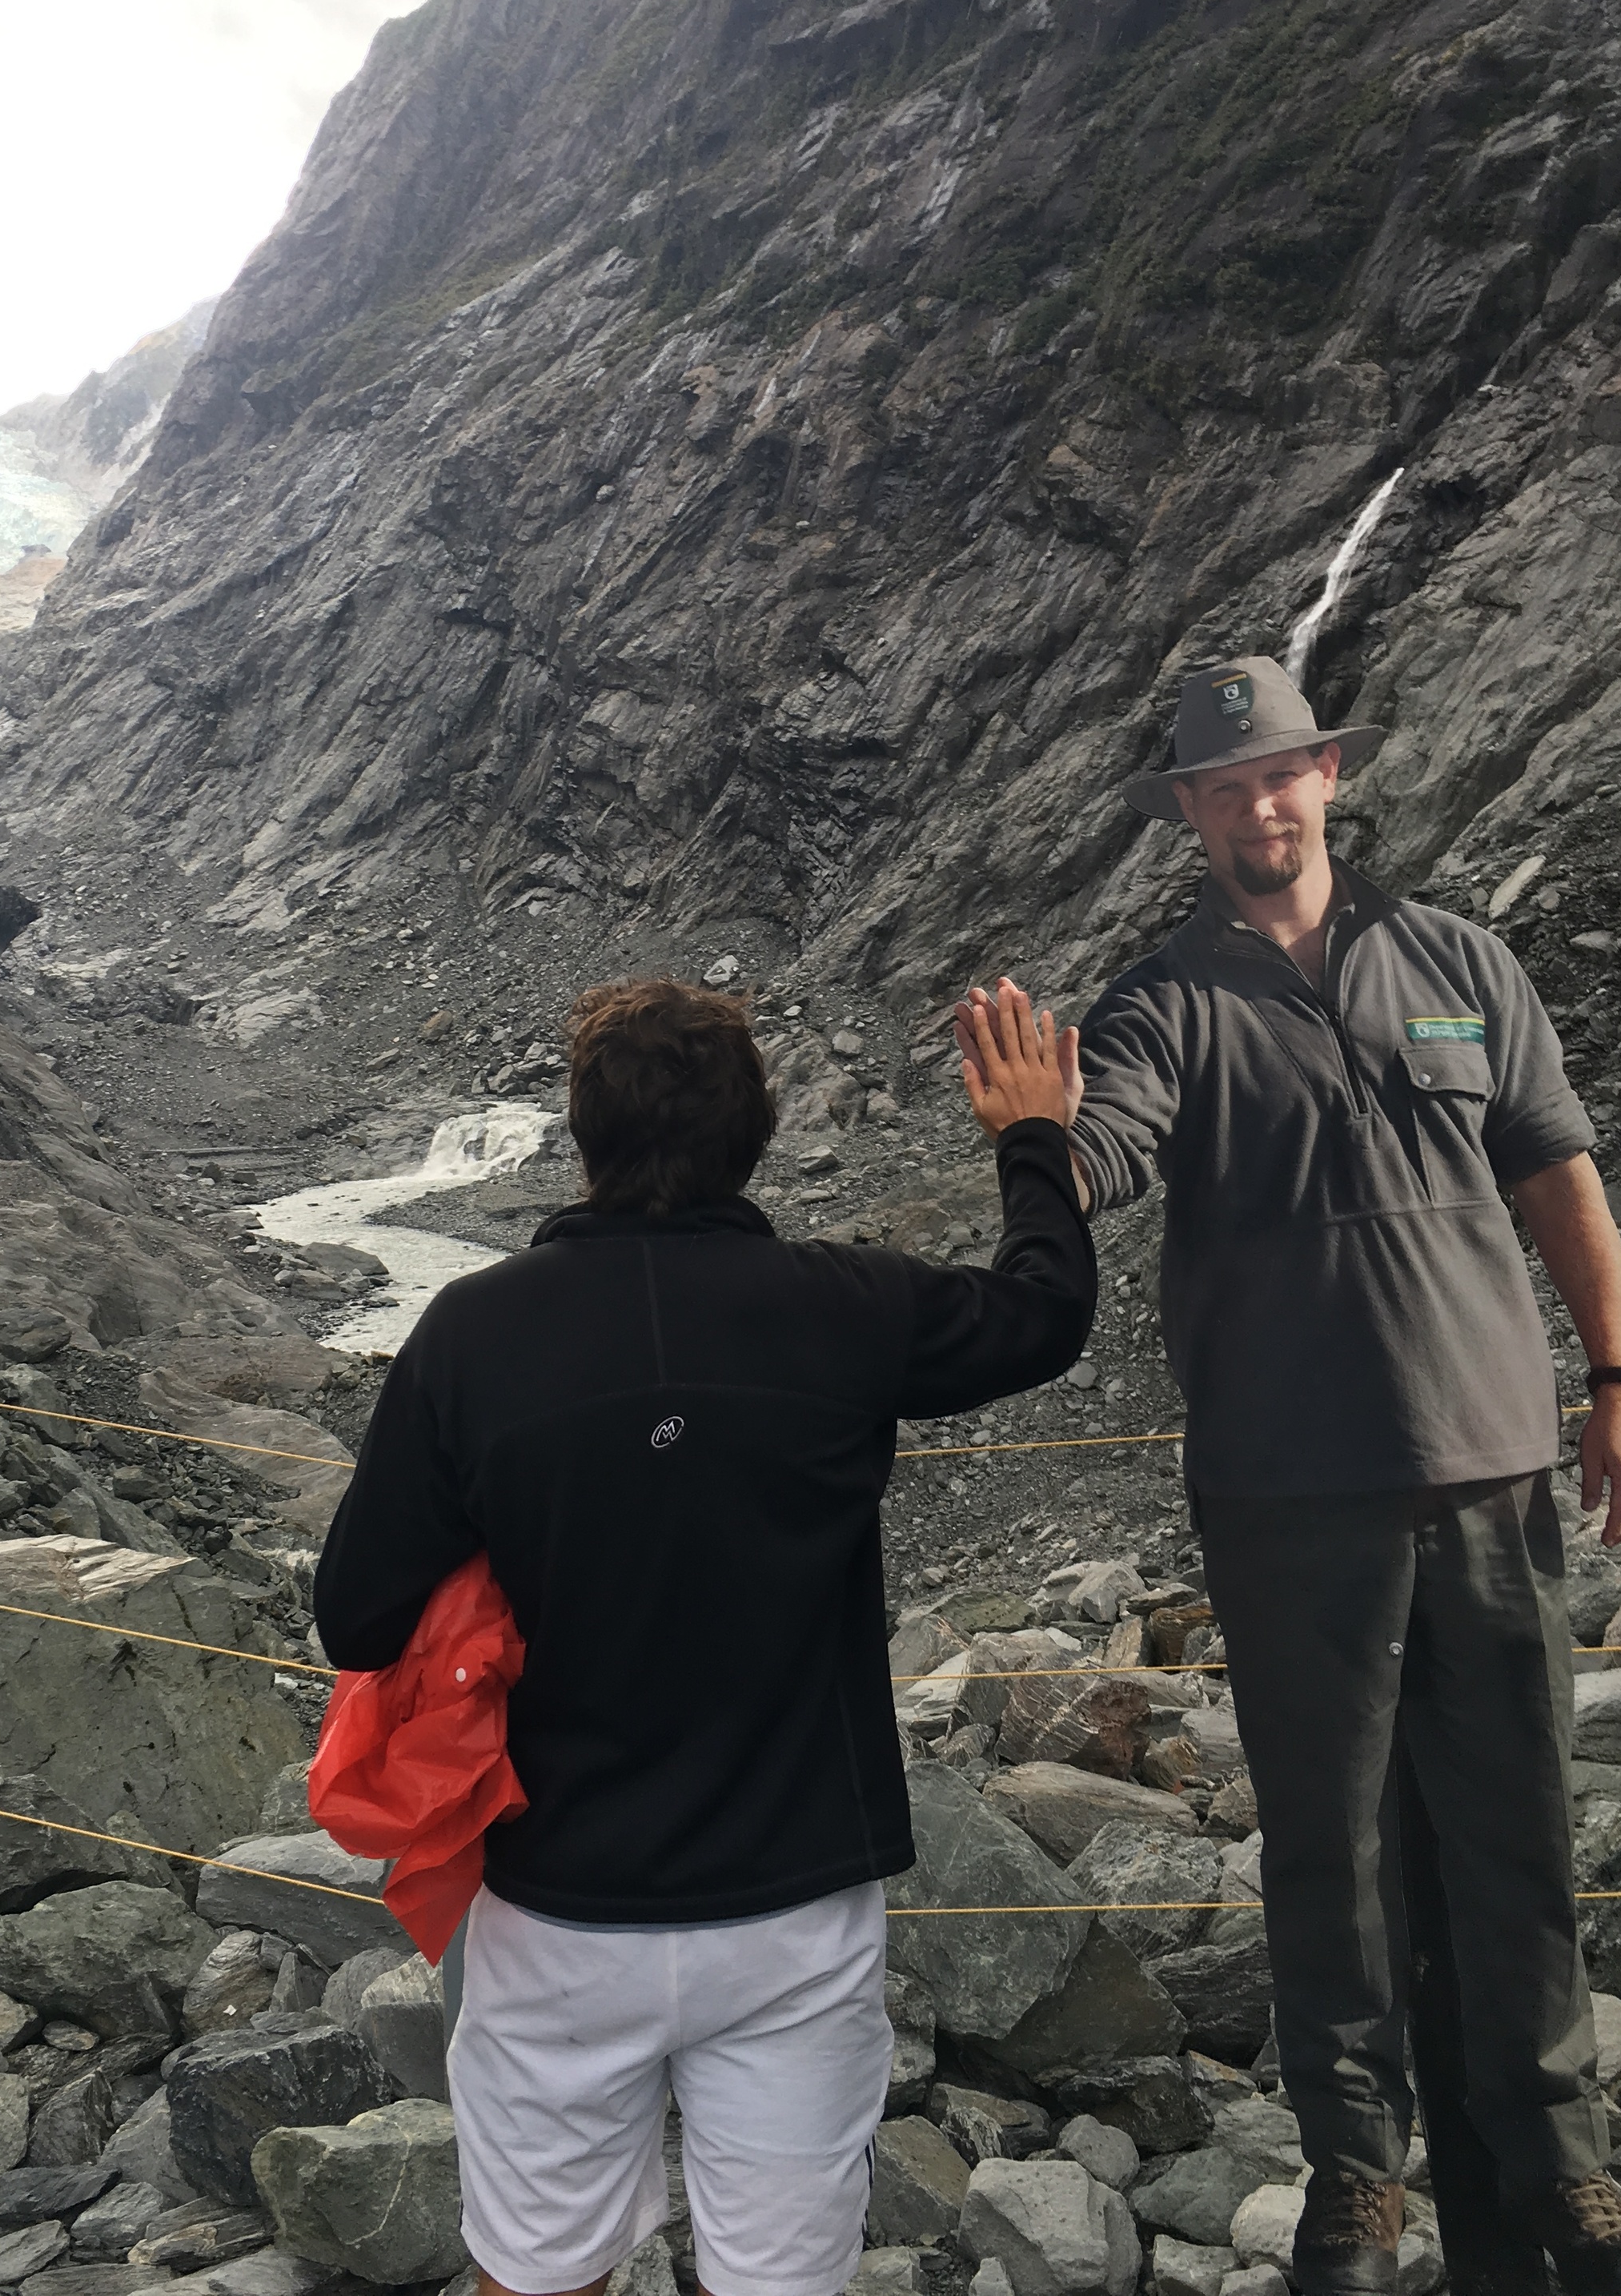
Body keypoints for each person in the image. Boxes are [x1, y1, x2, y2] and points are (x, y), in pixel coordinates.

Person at [961, 654, 1621, 2296]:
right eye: (1224, 782)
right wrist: (1037, 1136)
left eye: (1281, 771)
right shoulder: (1160, 1000)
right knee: (1324, 1847)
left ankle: (1555, 2152)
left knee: (1520, 1830)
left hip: (1490, 1470)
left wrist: (1614, 1377)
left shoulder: (1460, 961)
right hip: (1284, 1496)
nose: (1259, 800)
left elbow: (1552, 1172)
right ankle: (1350, 2164)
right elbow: (1107, 1146)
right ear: (1188, 811)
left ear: (1324, 777)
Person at [314, 973, 1093, 2296]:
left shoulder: (471, 1336)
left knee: (540, 2273)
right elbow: (1045, 1312)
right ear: (757, 1131)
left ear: (584, 1133)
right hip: (794, 1905)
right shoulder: (847, 1306)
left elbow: (358, 1613)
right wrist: (1031, 1133)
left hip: (556, 1903)